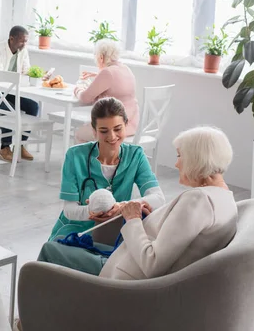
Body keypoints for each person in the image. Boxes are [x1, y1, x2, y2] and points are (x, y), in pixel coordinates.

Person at [39, 126, 237, 281]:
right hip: (130, 262)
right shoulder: (225, 198)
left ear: (196, 159)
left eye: (179, 156)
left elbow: (152, 263)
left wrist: (133, 219)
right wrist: (149, 217)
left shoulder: (198, 200)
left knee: (50, 249)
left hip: (125, 275)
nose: (177, 164)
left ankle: (29, 322)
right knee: (61, 244)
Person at [46, 97, 165, 245]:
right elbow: (69, 209)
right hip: (76, 229)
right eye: (104, 131)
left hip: (114, 230)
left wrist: (122, 207)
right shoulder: (75, 156)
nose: (112, 136)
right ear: (94, 131)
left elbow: (158, 198)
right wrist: (92, 211)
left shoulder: (135, 155)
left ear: (126, 125)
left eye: (117, 129)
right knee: (56, 255)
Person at [0, 25, 38, 162]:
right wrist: (19, 76)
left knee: (33, 106)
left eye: (26, 41)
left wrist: (38, 75)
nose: (24, 44)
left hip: (12, 91)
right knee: (10, 109)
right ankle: (4, 148)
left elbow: (26, 69)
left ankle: (20, 146)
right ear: (11, 38)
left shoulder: (23, 50)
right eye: (21, 41)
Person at [74, 39, 140, 144]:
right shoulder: (125, 68)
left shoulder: (107, 73)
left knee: (80, 133)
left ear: (101, 57)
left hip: (113, 128)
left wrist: (78, 88)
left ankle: (90, 160)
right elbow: (116, 83)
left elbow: (85, 98)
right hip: (131, 125)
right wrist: (97, 75)